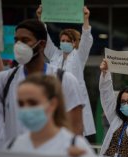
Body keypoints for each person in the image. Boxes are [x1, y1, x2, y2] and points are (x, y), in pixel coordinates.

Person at [0, 19, 84, 142]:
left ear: (41, 45)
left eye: (25, 40)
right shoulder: (5, 79)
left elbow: (76, 129)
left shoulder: (64, 80)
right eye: (16, 40)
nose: (18, 45)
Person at [36, 5, 95, 136]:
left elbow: (86, 40)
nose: (64, 43)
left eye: (67, 41)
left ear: (74, 43)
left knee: (74, 137)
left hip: (73, 102)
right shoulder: (55, 54)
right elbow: (45, 39)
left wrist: (86, 19)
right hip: (57, 102)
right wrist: (40, 18)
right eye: (62, 40)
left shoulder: (79, 56)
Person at [8, 74, 94, 156]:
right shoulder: (12, 147)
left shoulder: (76, 147)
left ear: (52, 104)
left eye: (33, 103)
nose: (25, 109)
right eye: (21, 104)